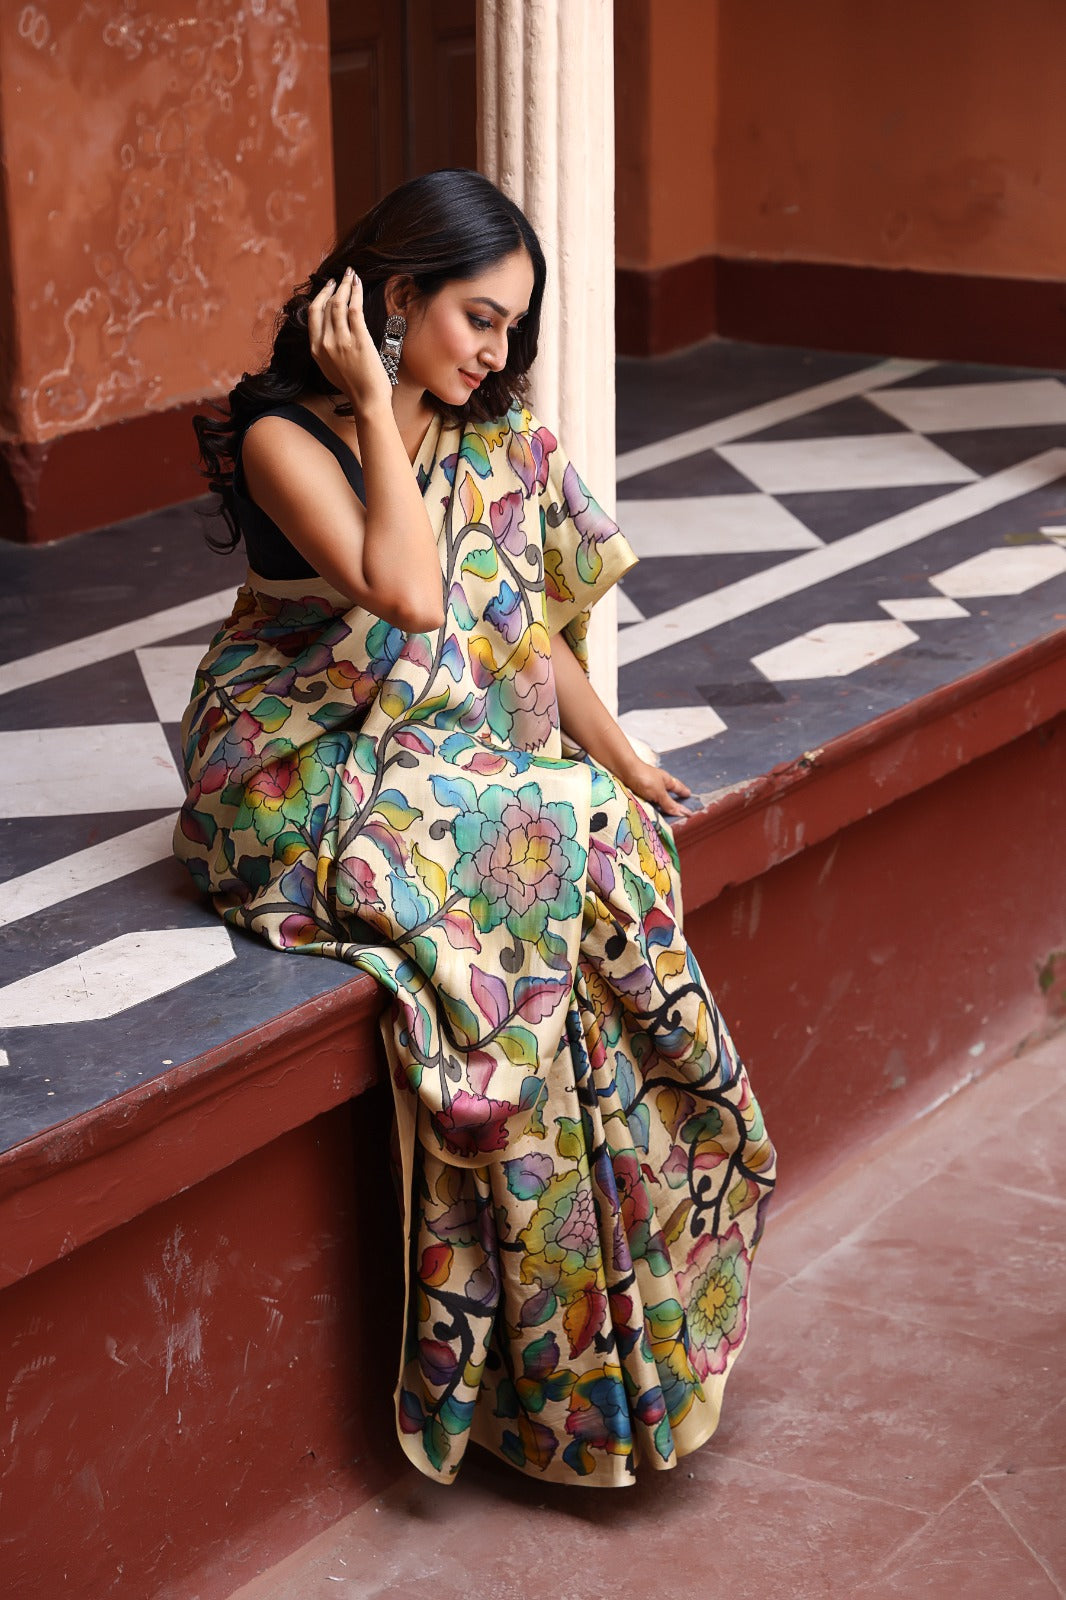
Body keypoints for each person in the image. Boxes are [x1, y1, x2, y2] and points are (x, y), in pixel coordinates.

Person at [176, 169, 776, 1488]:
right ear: (396, 298)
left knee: (589, 846)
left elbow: (529, 631)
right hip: (298, 776)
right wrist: (385, 403)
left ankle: (614, 1330)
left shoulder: (491, 438)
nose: (497, 354)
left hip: (438, 768)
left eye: (513, 329)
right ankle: (548, 1365)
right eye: (477, 320)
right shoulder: (292, 434)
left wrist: (621, 751)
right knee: (545, 851)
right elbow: (404, 592)